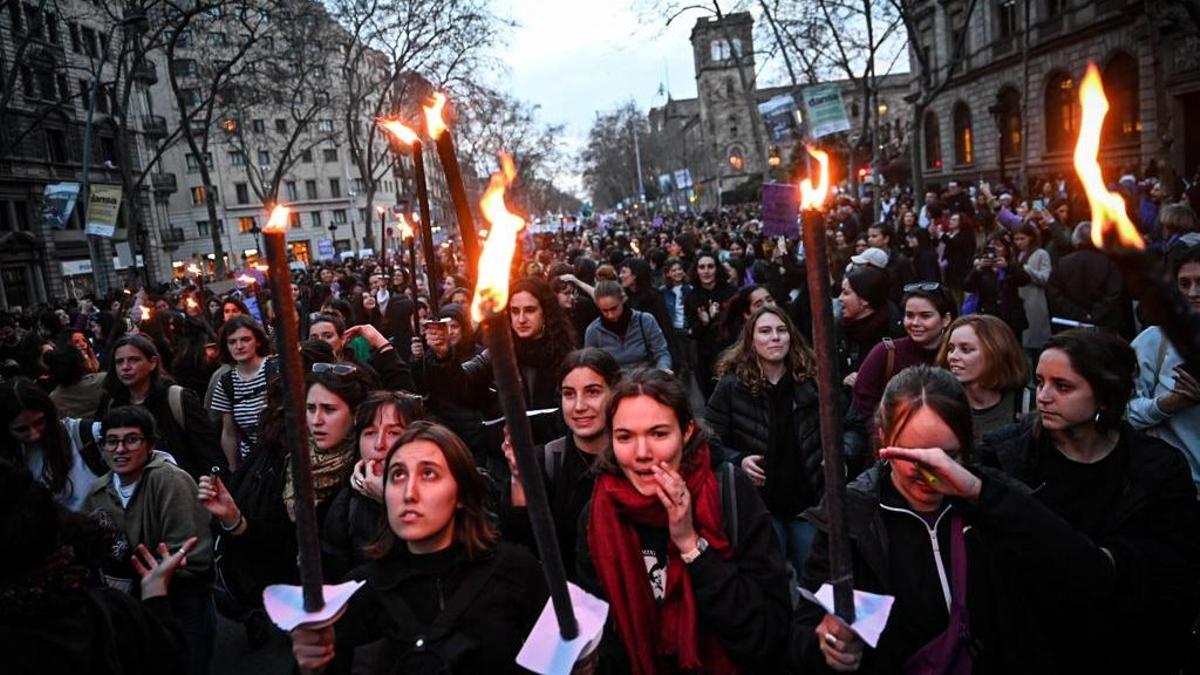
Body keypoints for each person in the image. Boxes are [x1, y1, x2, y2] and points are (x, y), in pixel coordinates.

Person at [792, 365, 1102, 673]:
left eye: (948, 456)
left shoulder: (993, 500)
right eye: (912, 455)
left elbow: (1083, 569)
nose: (931, 473)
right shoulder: (853, 516)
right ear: (884, 438)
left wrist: (979, 493)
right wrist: (828, 644)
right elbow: (805, 632)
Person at [980, 330, 1200, 673]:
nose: (1044, 396)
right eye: (1040, 382)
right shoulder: (1004, 457)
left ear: (1104, 397)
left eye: (1063, 386)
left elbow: (1176, 565)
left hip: (1126, 646)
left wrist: (1112, 561)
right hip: (1030, 646)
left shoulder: (1157, 468)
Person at [577, 369, 791, 673]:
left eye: (658, 434)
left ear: (687, 431)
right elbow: (609, 634)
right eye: (624, 437)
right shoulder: (599, 514)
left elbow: (767, 633)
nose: (641, 454)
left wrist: (691, 544)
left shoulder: (727, 492)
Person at [290, 422, 548, 673]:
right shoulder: (359, 592)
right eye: (398, 475)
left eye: (428, 474)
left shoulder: (515, 571)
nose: (409, 493)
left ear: (461, 493)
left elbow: (555, 660)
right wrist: (311, 665)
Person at [707, 306, 866, 572]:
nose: (775, 338)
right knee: (770, 582)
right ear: (751, 339)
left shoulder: (815, 381)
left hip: (809, 503)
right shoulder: (732, 387)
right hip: (760, 506)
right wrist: (739, 460)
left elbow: (853, 427)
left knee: (814, 580)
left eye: (782, 331)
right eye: (766, 331)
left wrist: (841, 456)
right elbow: (708, 439)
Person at [0, 461, 196, 675]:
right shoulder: (108, 616)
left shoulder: (107, 616)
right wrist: (155, 596)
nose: (120, 450)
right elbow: (166, 657)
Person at [82, 405, 215, 675]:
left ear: (150, 444)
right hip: (131, 606)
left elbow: (191, 553)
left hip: (182, 596)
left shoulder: (170, 481)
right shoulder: (98, 492)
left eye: (131, 439)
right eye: (112, 441)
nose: (120, 449)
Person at [503, 348, 621, 579]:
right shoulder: (547, 461)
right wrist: (519, 478)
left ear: (614, 393)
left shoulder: (634, 458)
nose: (579, 406)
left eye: (592, 392)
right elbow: (522, 545)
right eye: (569, 394)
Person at [424, 277, 576, 445]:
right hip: (504, 454)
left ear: (545, 312)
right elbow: (462, 383)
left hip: (553, 453)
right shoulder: (498, 353)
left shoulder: (566, 357)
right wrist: (444, 355)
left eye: (530, 310)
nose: (521, 319)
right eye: (515, 311)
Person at [321, 390, 427, 581]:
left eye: (394, 433)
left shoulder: (441, 491)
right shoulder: (345, 504)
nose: (379, 444)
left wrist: (390, 501)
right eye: (369, 433)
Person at [94, 335, 224, 481]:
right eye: (119, 362)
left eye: (133, 360)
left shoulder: (176, 398)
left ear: (152, 363)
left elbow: (209, 452)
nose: (125, 367)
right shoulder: (112, 405)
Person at [1128, 238, 1200, 491]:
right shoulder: (1153, 342)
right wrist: (1167, 404)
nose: (1193, 293)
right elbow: (1125, 413)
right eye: (1185, 284)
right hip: (1170, 486)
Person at [851, 283, 956, 428]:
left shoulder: (957, 356)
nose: (915, 323)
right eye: (909, 315)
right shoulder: (885, 352)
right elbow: (862, 404)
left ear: (945, 319)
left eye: (925, 316)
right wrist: (883, 436)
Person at [1, 377, 103, 511]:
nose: (34, 434)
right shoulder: (9, 460)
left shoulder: (87, 435)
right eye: (22, 429)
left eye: (39, 422)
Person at [937, 315, 1029, 440]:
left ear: (996, 353)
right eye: (951, 349)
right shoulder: (941, 403)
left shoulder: (1028, 404)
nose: (953, 356)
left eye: (966, 349)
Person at [210, 315, 275, 468]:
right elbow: (229, 432)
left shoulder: (276, 368)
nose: (239, 346)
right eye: (232, 342)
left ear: (257, 341)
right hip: (253, 463)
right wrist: (234, 470)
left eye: (245, 340)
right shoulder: (226, 383)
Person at [584, 281, 672, 371]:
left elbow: (661, 353)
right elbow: (591, 364)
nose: (610, 315)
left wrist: (663, 369)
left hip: (645, 379)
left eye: (614, 308)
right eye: (604, 311)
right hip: (613, 382)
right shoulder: (593, 331)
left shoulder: (645, 320)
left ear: (623, 300)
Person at [837, 266, 899, 388]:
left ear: (864, 300)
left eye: (846, 293)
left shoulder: (893, 334)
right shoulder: (838, 329)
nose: (840, 298)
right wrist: (843, 379)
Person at [685, 252, 737, 399]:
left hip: (731, 352)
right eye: (702, 267)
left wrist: (720, 315)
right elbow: (692, 332)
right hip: (706, 357)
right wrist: (704, 322)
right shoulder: (692, 297)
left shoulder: (731, 292)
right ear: (696, 271)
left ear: (717, 269)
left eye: (710, 266)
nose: (706, 271)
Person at [1012, 221, 1052, 355]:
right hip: (1019, 301)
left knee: (1035, 345)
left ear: (1031, 238)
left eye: (1022, 238)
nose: (1019, 242)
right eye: (1016, 239)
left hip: (1035, 301)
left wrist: (1026, 270)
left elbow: (1045, 278)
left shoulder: (1041, 254)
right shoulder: (1017, 255)